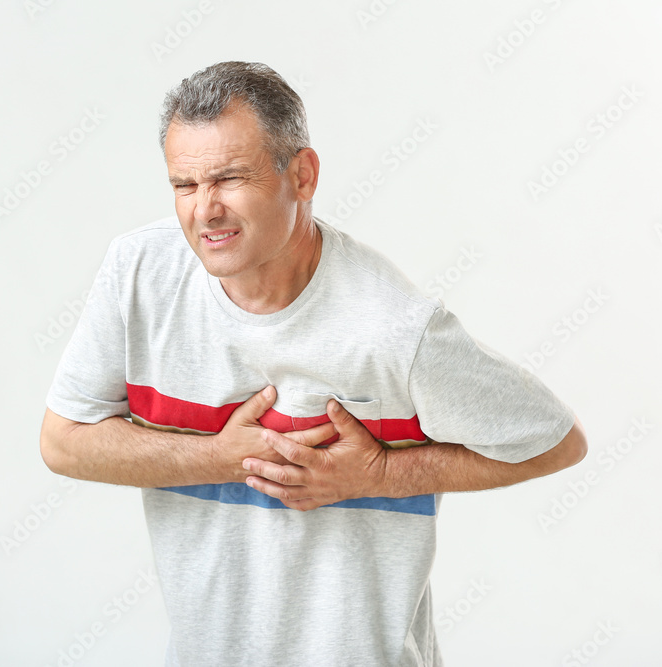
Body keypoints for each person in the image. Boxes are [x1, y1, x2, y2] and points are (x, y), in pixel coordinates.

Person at [40, 60, 587, 667]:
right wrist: (218, 456)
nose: (205, 210)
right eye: (184, 186)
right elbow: (63, 442)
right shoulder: (138, 275)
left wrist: (378, 476)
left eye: (230, 178)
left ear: (302, 175)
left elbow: (555, 442)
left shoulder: (393, 328)